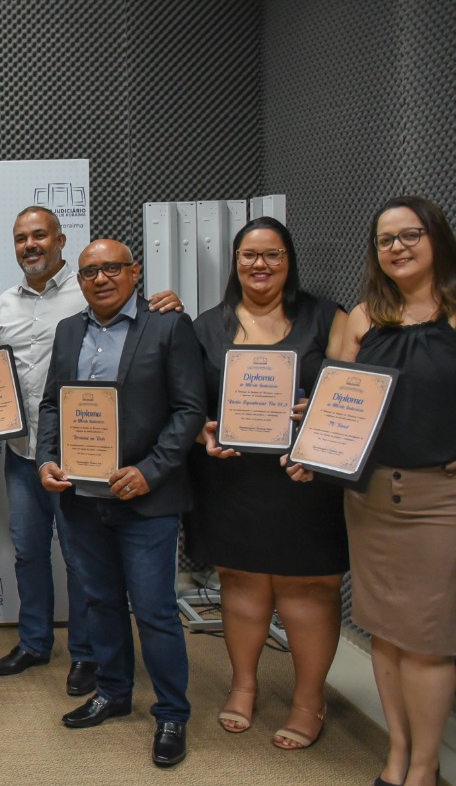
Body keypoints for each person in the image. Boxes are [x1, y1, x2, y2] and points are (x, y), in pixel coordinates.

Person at [0, 206, 181, 695]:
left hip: (86, 461)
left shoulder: (91, 291)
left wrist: (168, 301)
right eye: (21, 238)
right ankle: (33, 643)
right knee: (29, 553)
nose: (30, 245)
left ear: (60, 240)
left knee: (81, 560)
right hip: (24, 451)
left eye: (39, 236)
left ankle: (87, 656)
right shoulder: (3, 304)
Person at [293, 196, 456, 786]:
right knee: (384, 631)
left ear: (436, 239)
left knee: (428, 640)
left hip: (440, 501)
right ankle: (396, 755)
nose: (398, 247)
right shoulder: (361, 318)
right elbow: (338, 402)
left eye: (410, 235)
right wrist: (312, 432)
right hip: (369, 499)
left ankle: (424, 765)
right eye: (386, 240)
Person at [37, 239, 205, 769]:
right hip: (82, 498)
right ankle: (113, 691)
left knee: (155, 610)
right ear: (79, 280)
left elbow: (188, 410)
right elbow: (50, 406)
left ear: (134, 272)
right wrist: (46, 460)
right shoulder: (69, 331)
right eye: (90, 272)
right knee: (100, 602)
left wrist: (150, 472)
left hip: (144, 499)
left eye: (112, 268)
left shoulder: (169, 326)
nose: (101, 279)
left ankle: (172, 713)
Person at [185, 217, 349, 750]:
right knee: (242, 584)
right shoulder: (206, 326)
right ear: (235, 262)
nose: (260, 265)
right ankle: (244, 685)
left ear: (289, 260)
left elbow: (356, 397)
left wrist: (318, 416)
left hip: (305, 478)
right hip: (232, 478)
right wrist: (200, 430)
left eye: (272, 255)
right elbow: (187, 404)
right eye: (249, 255)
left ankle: (308, 700)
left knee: (308, 591)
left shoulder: (328, 318)